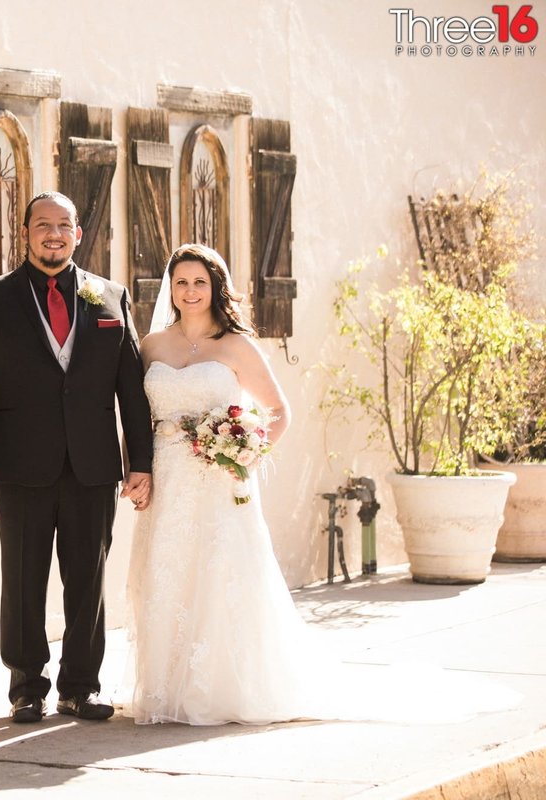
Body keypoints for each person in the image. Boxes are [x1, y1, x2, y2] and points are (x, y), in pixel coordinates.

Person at [123, 243, 519, 725]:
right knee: (165, 573)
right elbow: (134, 415)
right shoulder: (151, 346)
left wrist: (245, 451)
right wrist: (134, 468)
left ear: (214, 288)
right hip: (167, 474)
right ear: (171, 287)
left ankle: (219, 689)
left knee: (219, 574)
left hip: (219, 480)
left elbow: (279, 412)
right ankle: (166, 690)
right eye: (181, 282)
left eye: (199, 282)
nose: (189, 291)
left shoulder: (236, 346)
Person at [0, 191, 154, 723]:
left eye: (64, 225)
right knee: (22, 580)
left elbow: (131, 388)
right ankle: (26, 686)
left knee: (88, 579)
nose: (54, 234)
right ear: (26, 233)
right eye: (43, 225)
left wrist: (141, 462)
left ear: (78, 234)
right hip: (20, 467)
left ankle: (81, 686)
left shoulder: (110, 297)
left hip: (93, 467)